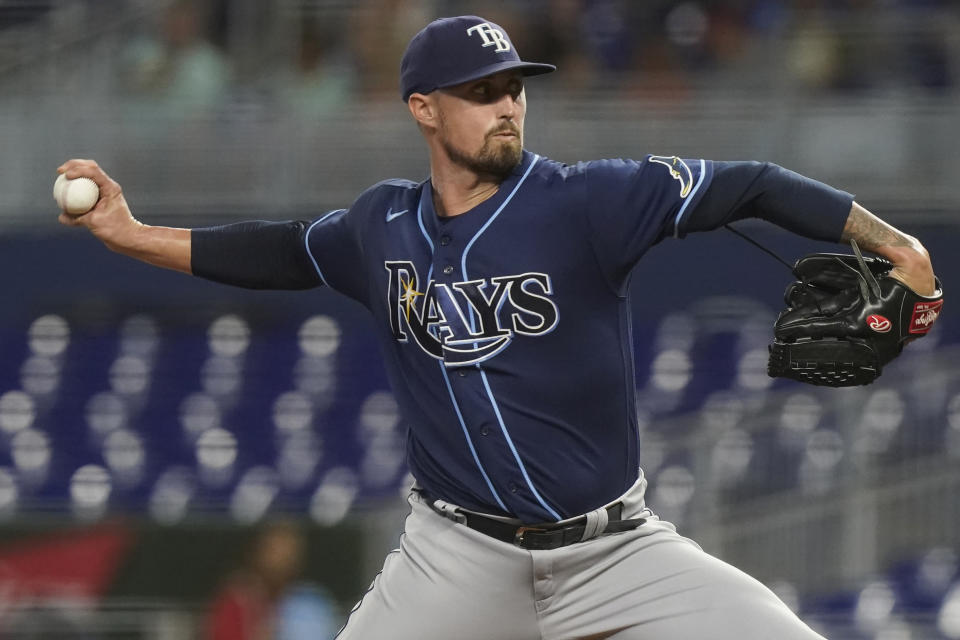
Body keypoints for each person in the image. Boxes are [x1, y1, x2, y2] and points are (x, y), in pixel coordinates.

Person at [58, 15, 938, 640]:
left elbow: (748, 183)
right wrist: (132, 236)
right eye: (482, 93)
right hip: (456, 560)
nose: (508, 106)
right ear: (423, 109)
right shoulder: (379, 228)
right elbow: (279, 250)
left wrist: (891, 241)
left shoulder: (589, 201)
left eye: (514, 88)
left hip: (615, 552)